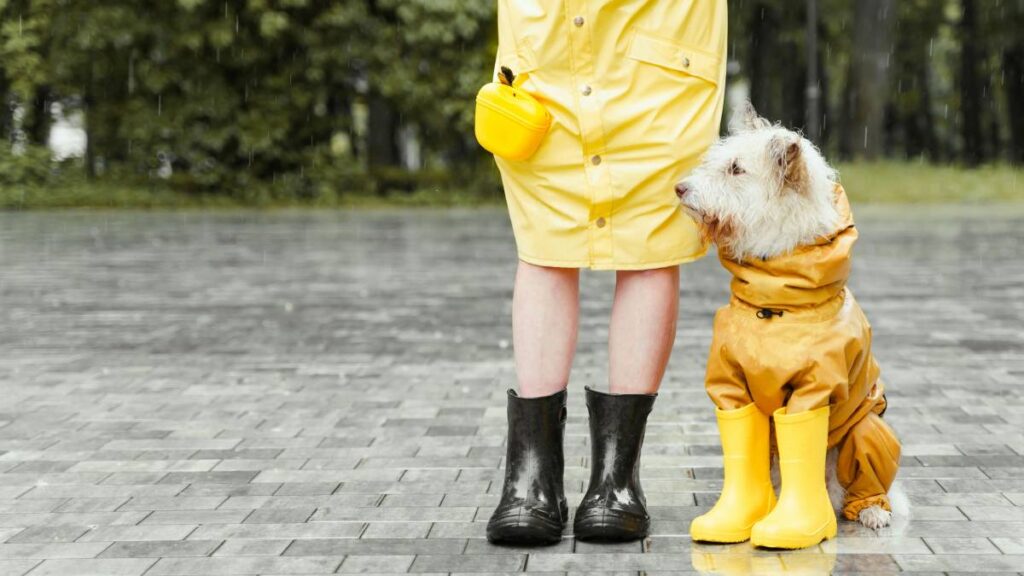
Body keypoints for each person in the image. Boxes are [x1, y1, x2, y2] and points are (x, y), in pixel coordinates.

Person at [485, 1, 728, 545]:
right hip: (546, 40)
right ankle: (531, 479)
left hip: (661, 37)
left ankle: (616, 482)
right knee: (546, 240)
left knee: (649, 241)